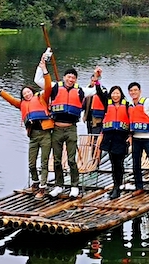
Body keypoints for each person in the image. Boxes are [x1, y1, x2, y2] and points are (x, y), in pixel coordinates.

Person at [0, 53, 53, 199]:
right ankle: (36, 182)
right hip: (33, 136)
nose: (27, 95)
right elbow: (11, 100)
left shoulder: (42, 98)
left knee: (44, 162)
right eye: (24, 93)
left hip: (45, 134)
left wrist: (45, 70)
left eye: (28, 92)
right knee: (32, 164)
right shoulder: (22, 105)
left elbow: (49, 87)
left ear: (33, 92)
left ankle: (43, 188)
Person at [35, 66, 98, 198]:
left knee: (71, 159)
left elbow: (95, 91)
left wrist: (96, 77)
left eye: (73, 78)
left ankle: (74, 185)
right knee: (57, 160)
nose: (71, 79)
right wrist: (41, 66)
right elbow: (38, 80)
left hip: (71, 128)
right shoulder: (54, 87)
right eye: (68, 77)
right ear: (64, 77)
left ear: (75, 80)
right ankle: (59, 185)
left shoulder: (80, 90)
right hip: (57, 129)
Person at [94, 84, 131, 199]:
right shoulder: (107, 103)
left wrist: (130, 135)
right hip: (110, 137)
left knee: (118, 164)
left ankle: (117, 188)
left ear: (121, 94)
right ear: (110, 95)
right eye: (113, 93)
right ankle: (115, 186)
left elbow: (132, 120)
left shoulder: (127, 106)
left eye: (117, 93)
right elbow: (99, 93)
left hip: (121, 137)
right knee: (113, 162)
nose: (115, 95)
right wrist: (97, 82)